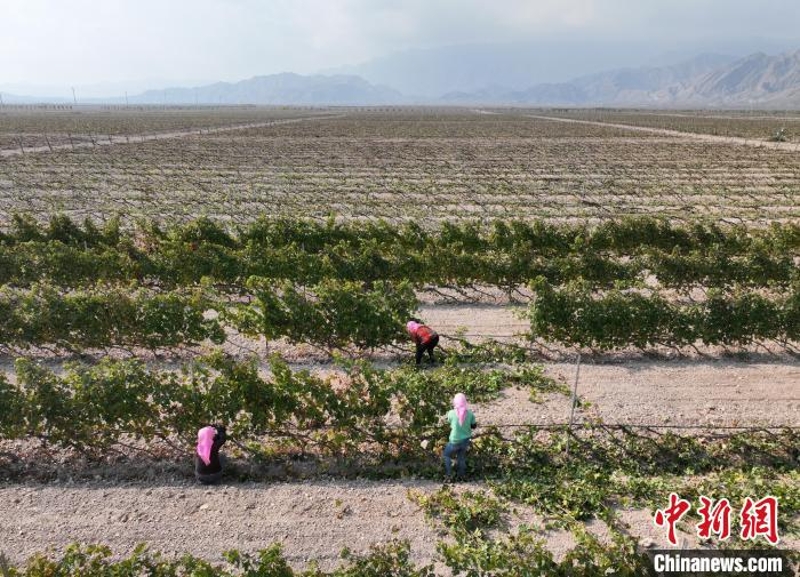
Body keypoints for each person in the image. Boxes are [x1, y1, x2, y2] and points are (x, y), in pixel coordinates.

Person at [443, 393, 477, 481]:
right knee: (461, 457)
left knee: (446, 455)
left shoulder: (451, 413)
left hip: (454, 441)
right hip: (465, 441)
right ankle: (462, 475)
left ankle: (449, 475)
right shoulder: (469, 414)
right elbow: (474, 426)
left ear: (455, 402)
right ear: (465, 402)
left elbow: (449, 422)